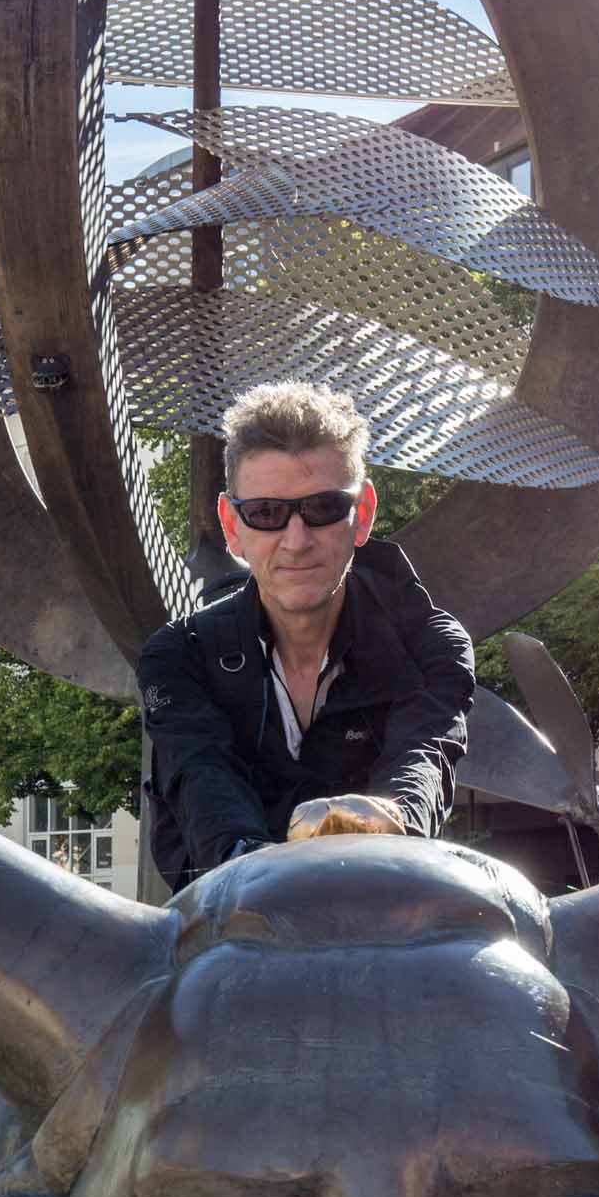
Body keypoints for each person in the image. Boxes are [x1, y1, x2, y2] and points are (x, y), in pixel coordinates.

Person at [139, 381, 474, 889]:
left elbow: (422, 759)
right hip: (232, 940)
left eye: (323, 509)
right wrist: (249, 865)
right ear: (232, 525)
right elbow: (201, 777)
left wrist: (392, 818)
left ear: (360, 515)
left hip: (381, 927)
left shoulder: (430, 645)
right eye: (267, 514)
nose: (296, 541)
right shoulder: (180, 656)